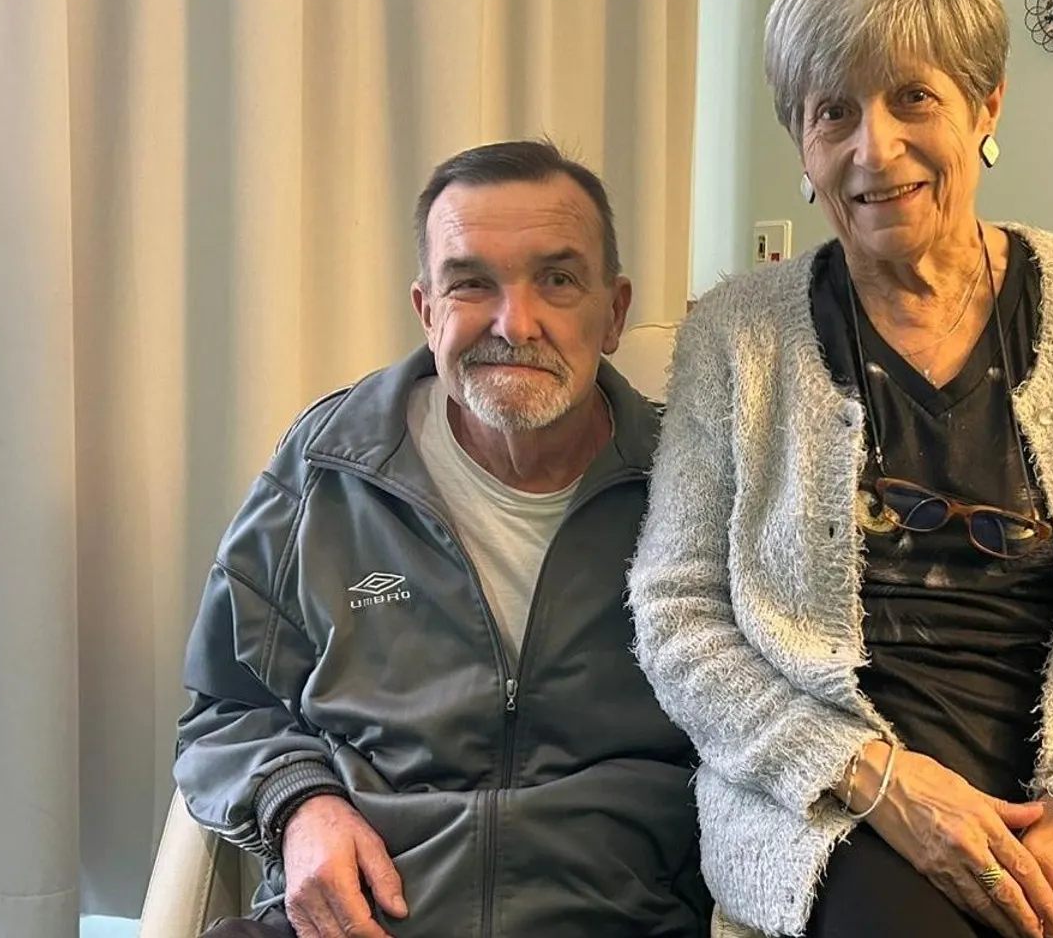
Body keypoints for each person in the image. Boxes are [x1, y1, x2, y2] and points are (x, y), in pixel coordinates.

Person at [628, 0, 1053, 938]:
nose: (874, 148)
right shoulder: (735, 336)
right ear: (800, 142)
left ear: (987, 106)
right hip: (841, 821)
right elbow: (677, 616)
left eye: (912, 98)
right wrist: (874, 777)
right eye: (833, 111)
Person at [174, 140, 710, 938]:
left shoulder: (695, 485)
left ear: (614, 313)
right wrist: (300, 802)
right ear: (428, 312)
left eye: (557, 281)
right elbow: (225, 706)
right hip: (360, 919)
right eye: (471, 283)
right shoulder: (326, 470)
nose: (514, 323)